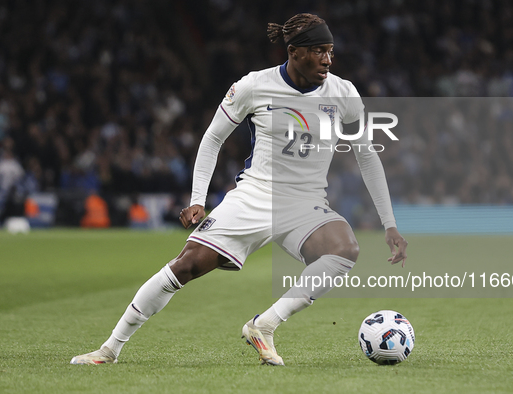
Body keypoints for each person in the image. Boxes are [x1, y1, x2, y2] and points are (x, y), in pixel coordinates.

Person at [71, 13, 407, 366]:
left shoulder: (344, 93)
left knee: (344, 249)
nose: (327, 59)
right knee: (185, 266)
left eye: (330, 51)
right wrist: (198, 200)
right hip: (255, 196)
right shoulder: (253, 86)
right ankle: (110, 349)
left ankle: (264, 325)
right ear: (294, 52)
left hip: (306, 203)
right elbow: (213, 137)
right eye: (318, 51)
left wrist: (389, 224)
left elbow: (367, 156)